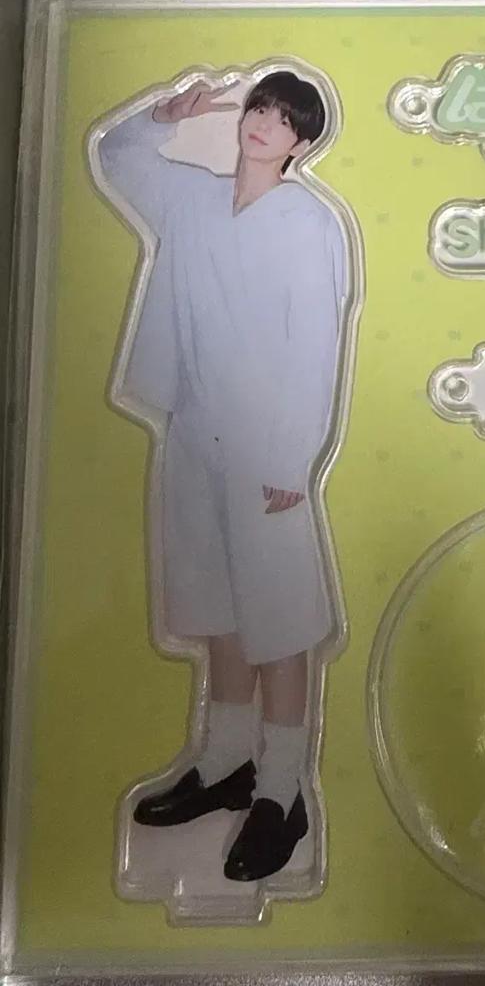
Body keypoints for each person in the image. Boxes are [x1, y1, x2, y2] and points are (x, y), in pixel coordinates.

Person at [98, 71, 347, 882]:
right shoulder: (194, 201)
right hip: (194, 427)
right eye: (260, 109)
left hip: (266, 444)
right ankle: (224, 761)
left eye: (285, 119)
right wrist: (161, 114)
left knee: (277, 616)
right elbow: (116, 156)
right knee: (216, 606)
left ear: (302, 142)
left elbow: (316, 342)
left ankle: (281, 790)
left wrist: (292, 458)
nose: (265, 125)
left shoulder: (307, 224)